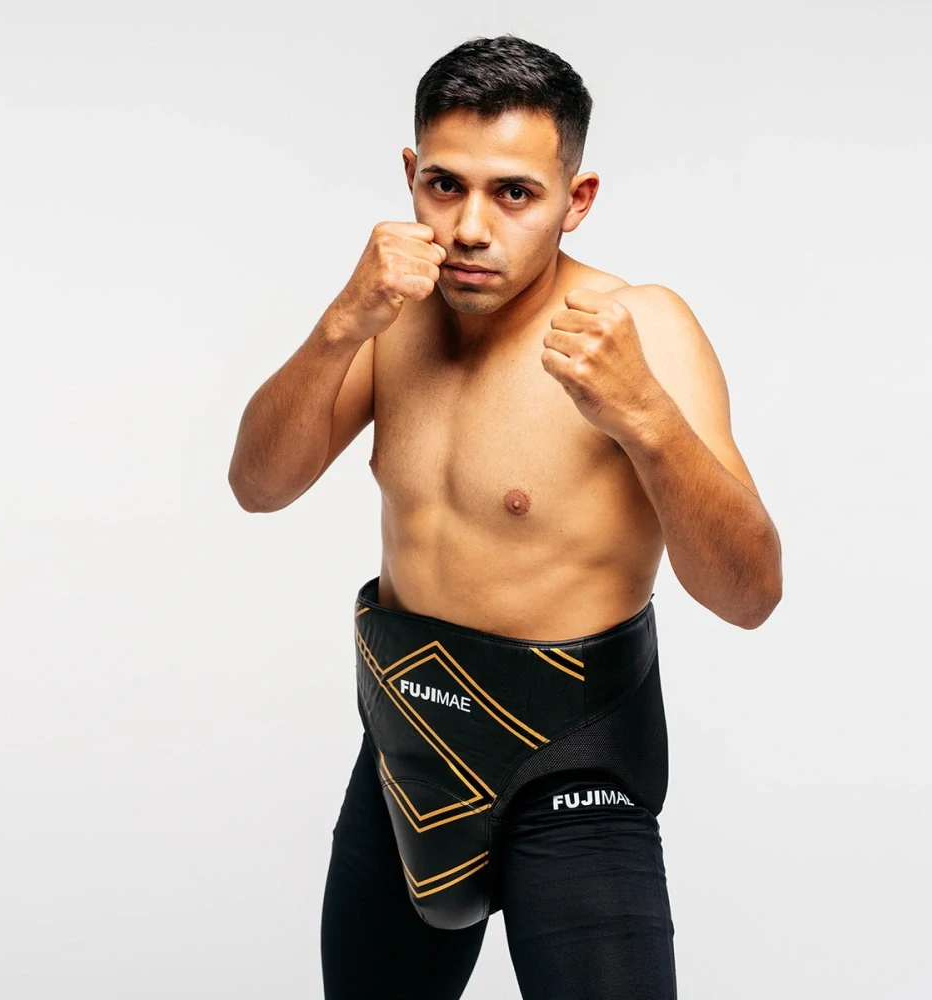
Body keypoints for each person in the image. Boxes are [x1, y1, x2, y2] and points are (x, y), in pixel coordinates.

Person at [228, 32, 782, 1000]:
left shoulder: (640, 328)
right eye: (444, 186)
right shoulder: (388, 317)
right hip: (408, 745)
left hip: (571, 763)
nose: (470, 228)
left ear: (577, 198)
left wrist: (646, 417)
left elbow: (750, 596)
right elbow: (258, 485)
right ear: (410, 173)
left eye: (514, 193)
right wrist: (341, 323)